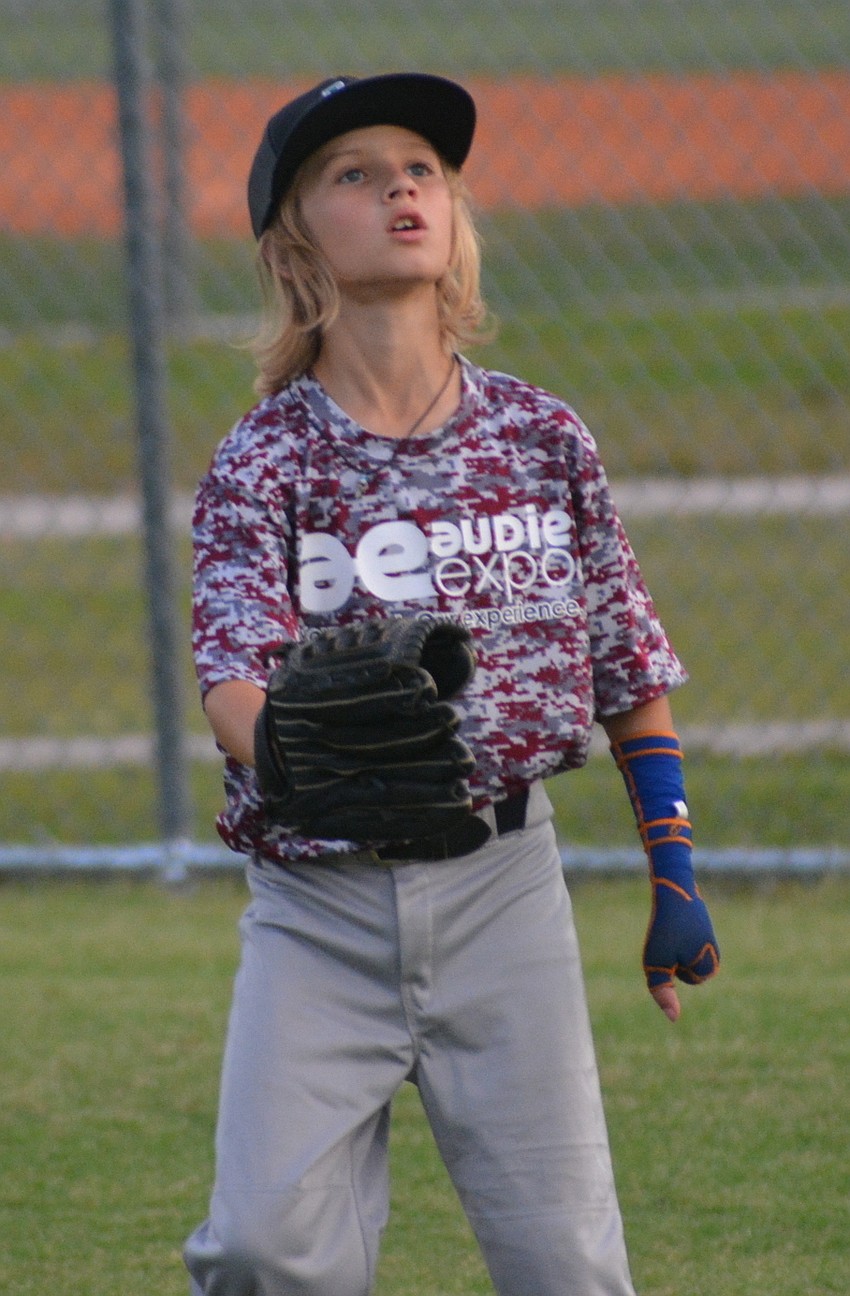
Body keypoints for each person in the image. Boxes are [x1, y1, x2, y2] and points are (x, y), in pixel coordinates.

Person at [185, 72, 720, 1296]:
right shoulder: (266, 458)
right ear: (294, 237)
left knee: (567, 1267)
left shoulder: (541, 437)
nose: (400, 189)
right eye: (354, 174)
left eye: (420, 166)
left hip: (503, 892)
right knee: (266, 1253)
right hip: (318, 905)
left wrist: (673, 869)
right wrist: (286, 756)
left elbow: (626, 666)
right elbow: (229, 673)